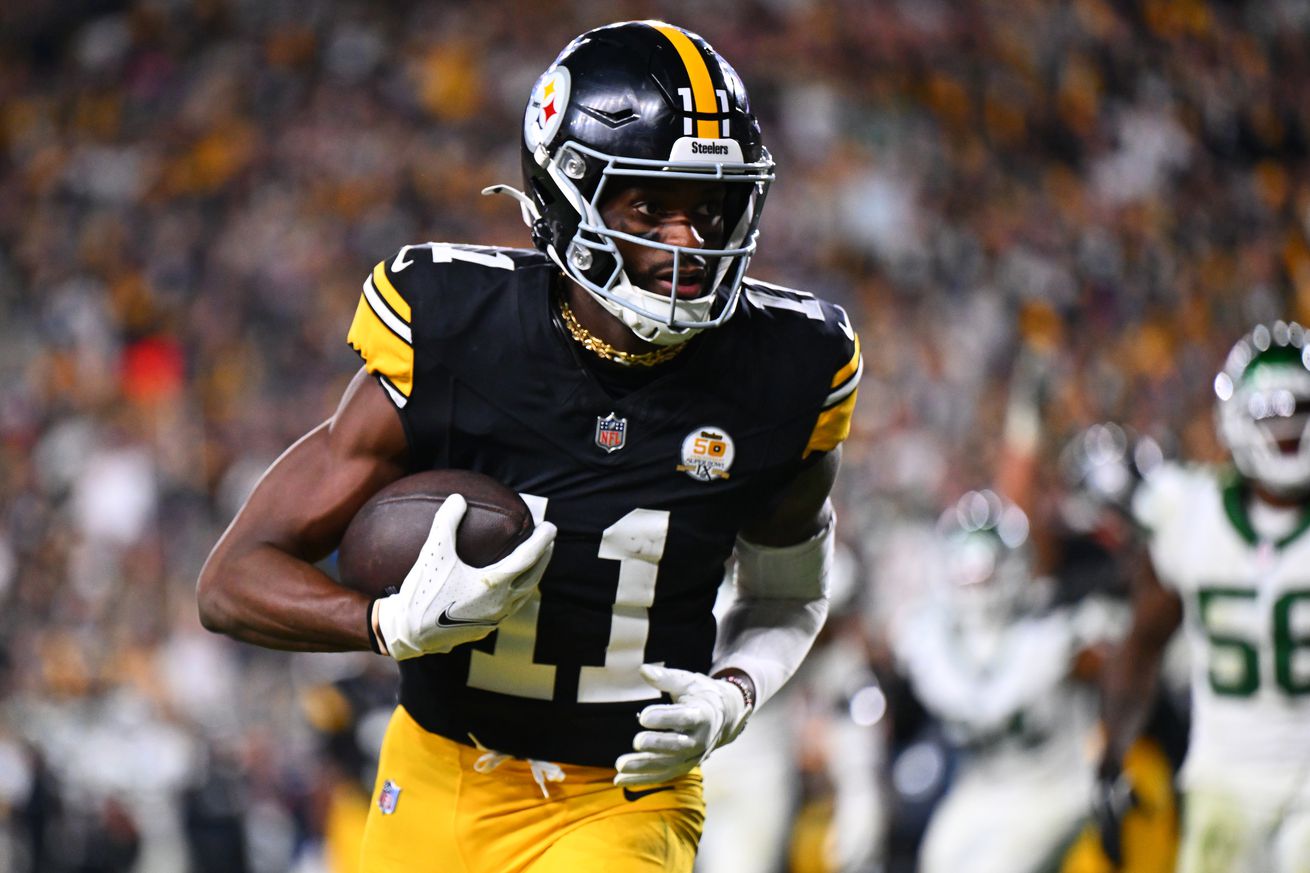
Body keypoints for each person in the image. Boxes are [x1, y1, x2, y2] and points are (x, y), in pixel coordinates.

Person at [196, 20, 861, 873]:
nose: (688, 243)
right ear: (566, 195)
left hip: (623, 796)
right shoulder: (451, 330)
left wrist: (734, 695)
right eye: (651, 206)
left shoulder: (791, 367)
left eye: (711, 208)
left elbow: (788, 598)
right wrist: (382, 623)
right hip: (439, 772)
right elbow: (232, 580)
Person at [1096, 321, 1310, 872]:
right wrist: (1111, 757)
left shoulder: (1187, 511)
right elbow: (1142, 644)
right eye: (1272, 413)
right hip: (1224, 784)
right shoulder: (1193, 516)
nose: (1288, 429)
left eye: (1300, 409)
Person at [892, 490, 1113, 873]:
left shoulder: (1057, 634)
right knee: (936, 858)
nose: (977, 583)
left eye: (986, 569)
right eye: (968, 570)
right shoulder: (929, 639)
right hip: (981, 785)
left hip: (1054, 788)